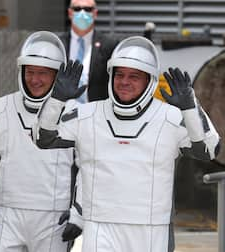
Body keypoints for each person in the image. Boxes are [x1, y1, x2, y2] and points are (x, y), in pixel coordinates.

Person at [35, 36, 220, 251]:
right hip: (100, 227)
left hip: (151, 229)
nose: (124, 82)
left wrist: (191, 107)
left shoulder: (170, 117)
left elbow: (210, 150)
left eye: (134, 76)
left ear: (149, 80)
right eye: (119, 74)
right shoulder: (88, 115)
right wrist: (56, 99)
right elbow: (43, 139)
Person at [0, 31, 80, 252]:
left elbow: (87, 165)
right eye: (30, 72)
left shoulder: (75, 113)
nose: (35, 79)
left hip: (53, 216)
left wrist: (78, 212)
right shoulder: (1, 107)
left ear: (57, 75)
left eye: (43, 73)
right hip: (7, 211)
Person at [59, 0, 118, 103]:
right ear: (70, 13)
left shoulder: (109, 45)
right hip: (62, 111)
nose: (82, 13)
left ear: (95, 13)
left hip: (96, 112)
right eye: (77, 9)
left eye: (88, 9)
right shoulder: (58, 44)